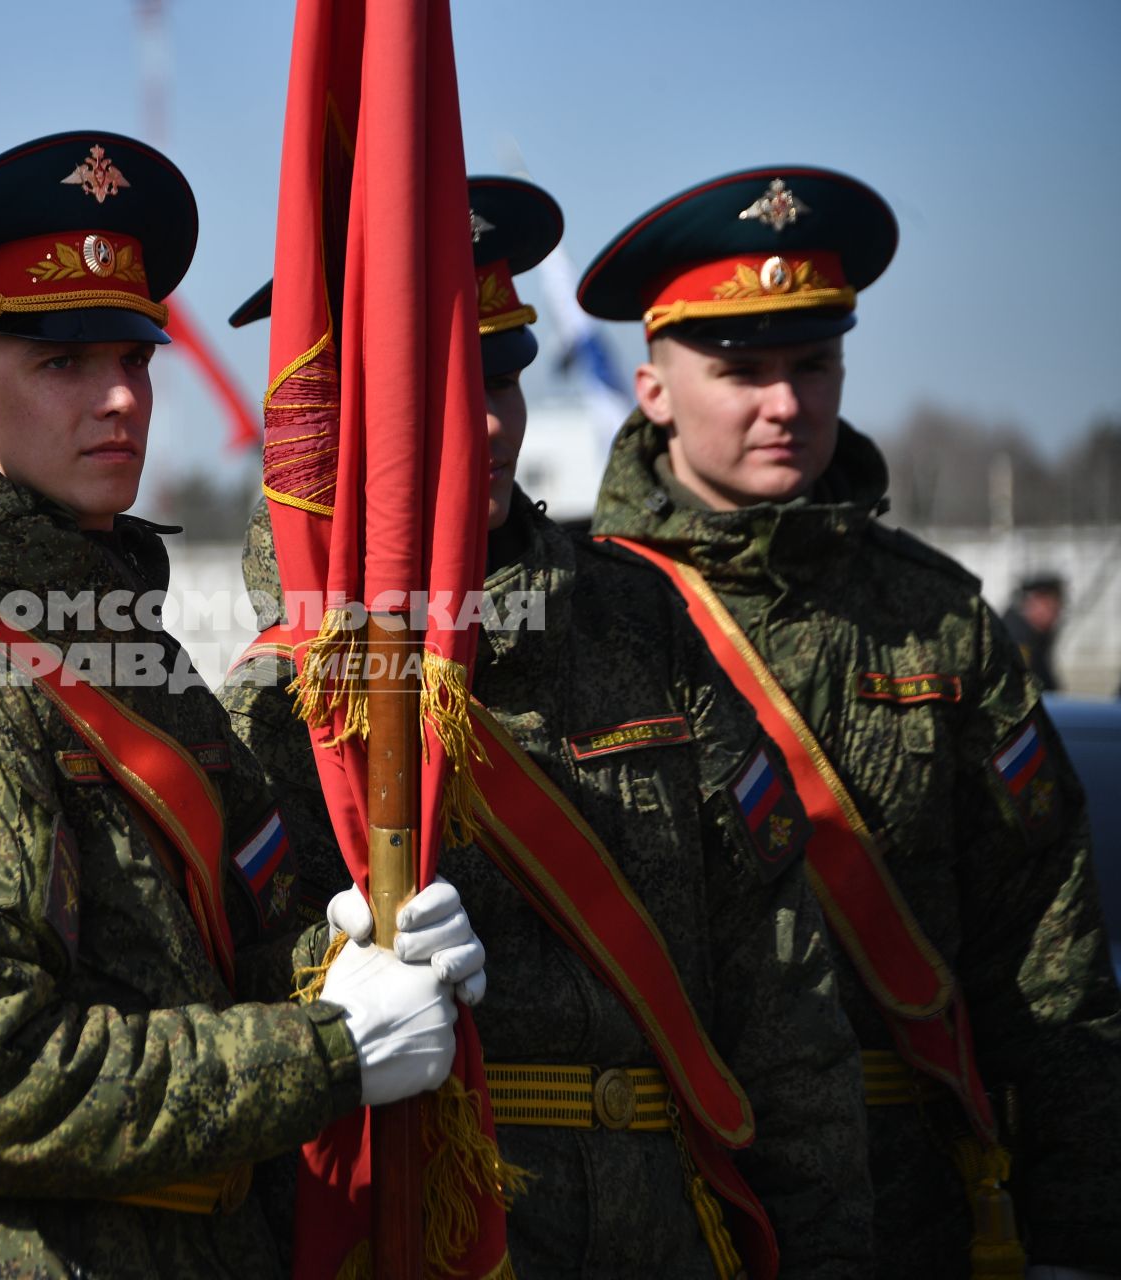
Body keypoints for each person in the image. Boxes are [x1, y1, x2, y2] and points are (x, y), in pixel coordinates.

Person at [0, 130, 485, 1278]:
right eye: (61, 362)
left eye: (135, 354)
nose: (118, 396)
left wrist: (361, 957)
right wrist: (325, 1046)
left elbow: (201, 967)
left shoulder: (126, 642)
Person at [221, 175, 869, 1276]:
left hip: (675, 1229)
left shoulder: (642, 621)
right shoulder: (281, 700)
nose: (484, 421)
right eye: (433, 385)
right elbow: (234, 1040)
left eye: (505, 378)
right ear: (341, 408)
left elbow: (781, 994)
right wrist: (327, 976)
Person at [583, 165, 1121, 1276]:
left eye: (813, 363)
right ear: (653, 388)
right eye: (741, 369)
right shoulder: (579, 615)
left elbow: (1046, 955)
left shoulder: (940, 617)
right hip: (660, 1206)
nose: (785, 403)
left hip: (910, 1205)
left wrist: (1081, 1228)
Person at [1004, 574, 1067, 692]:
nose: (1055, 614)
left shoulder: (1036, 635)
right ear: (1032, 603)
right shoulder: (1018, 637)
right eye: (1049, 606)